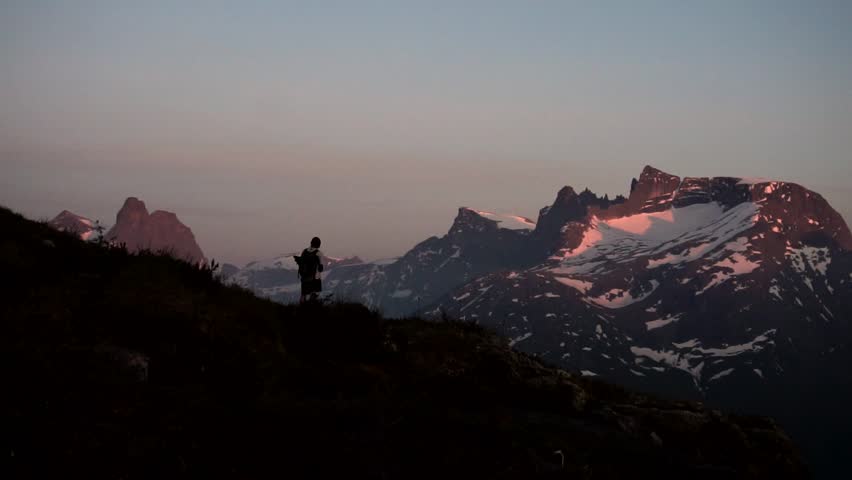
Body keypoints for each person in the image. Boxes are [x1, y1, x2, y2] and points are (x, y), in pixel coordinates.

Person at [295, 236, 324, 304]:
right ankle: (311, 307)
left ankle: (301, 307)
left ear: (311, 243)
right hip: (315, 277)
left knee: (303, 294)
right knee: (314, 294)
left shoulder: (304, 251)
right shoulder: (318, 253)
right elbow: (321, 268)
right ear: (319, 244)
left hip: (304, 277)